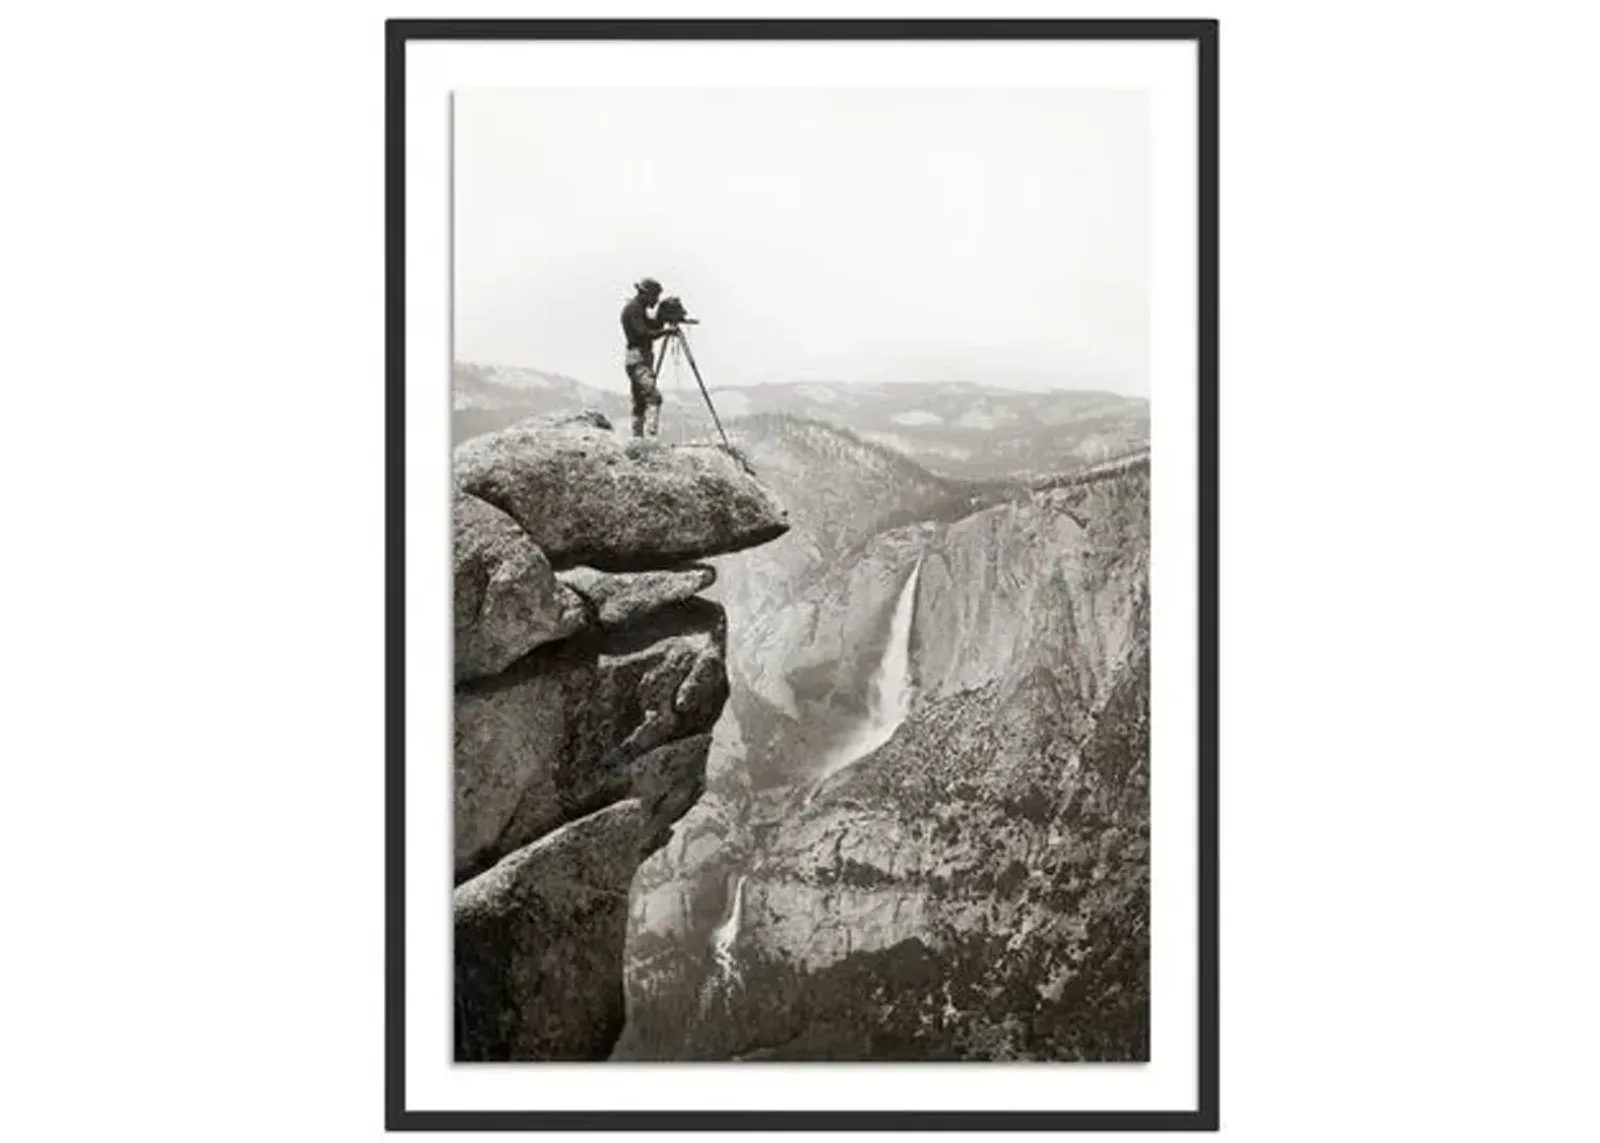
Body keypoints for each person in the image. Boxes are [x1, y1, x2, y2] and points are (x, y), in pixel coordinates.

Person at [620, 277, 676, 438]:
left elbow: (651, 326)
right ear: (646, 294)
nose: (656, 300)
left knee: (640, 402)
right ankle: (651, 436)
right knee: (653, 397)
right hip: (638, 358)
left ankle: (637, 439)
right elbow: (643, 333)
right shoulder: (633, 310)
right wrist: (666, 331)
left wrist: (662, 318)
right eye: (654, 296)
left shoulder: (637, 308)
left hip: (639, 358)